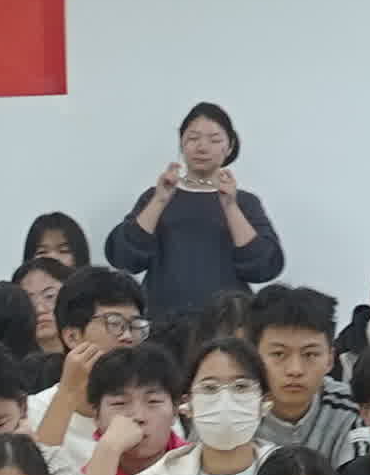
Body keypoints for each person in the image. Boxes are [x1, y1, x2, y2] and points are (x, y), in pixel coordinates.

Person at [107, 101, 283, 336]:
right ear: (181, 143)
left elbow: (264, 266)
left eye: (214, 140)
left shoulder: (245, 202)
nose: (202, 147)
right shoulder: (156, 196)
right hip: (162, 326)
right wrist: (160, 199)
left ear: (229, 146)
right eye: (193, 138)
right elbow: (124, 258)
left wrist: (230, 206)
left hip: (228, 328)